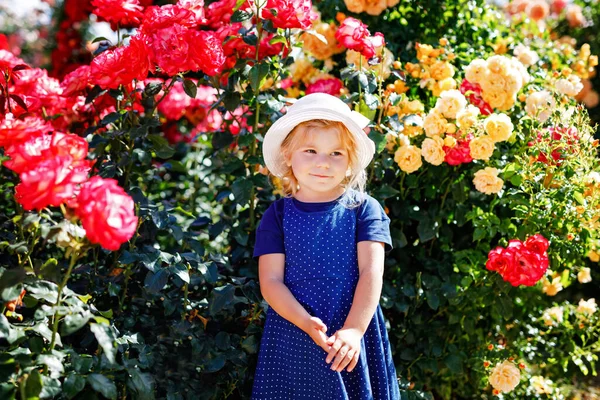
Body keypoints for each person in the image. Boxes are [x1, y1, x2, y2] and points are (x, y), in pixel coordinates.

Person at [252, 92, 401, 399]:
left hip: (351, 330)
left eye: (336, 154)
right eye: (311, 150)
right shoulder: (276, 215)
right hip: (294, 332)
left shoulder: (363, 209)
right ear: (288, 155)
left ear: (350, 163)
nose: (323, 163)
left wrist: (354, 330)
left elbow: (372, 274)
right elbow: (270, 281)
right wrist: (305, 323)